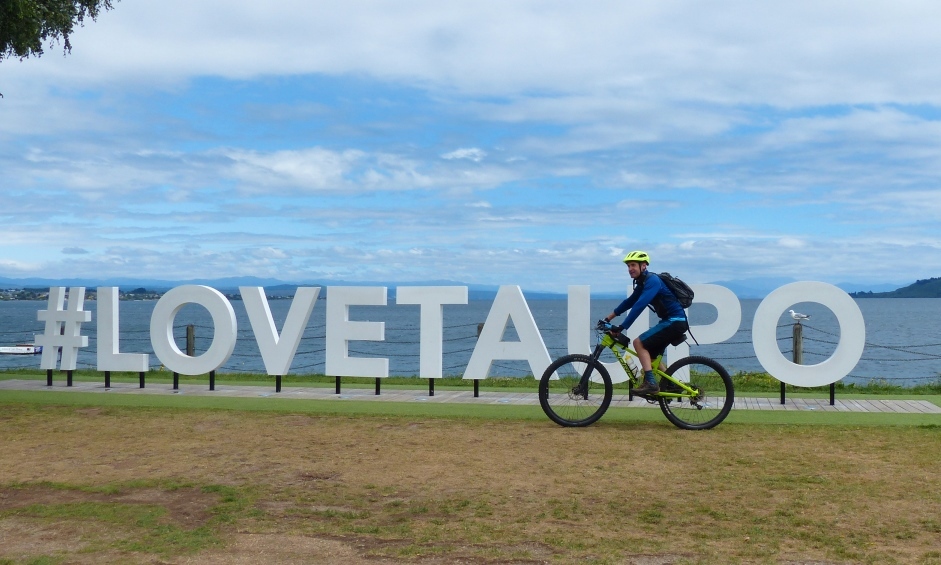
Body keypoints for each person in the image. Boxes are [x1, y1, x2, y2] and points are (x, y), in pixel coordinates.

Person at [603, 250, 689, 396]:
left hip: (675, 322)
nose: (630, 269)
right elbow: (630, 302)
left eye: (633, 265)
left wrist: (622, 327)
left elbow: (640, 305)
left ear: (643, 266)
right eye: (628, 266)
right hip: (671, 321)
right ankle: (673, 385)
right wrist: (609, 318)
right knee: (652, 358)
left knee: (639, 343)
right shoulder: (643, 283)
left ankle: (650, 383)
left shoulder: (653, 281)